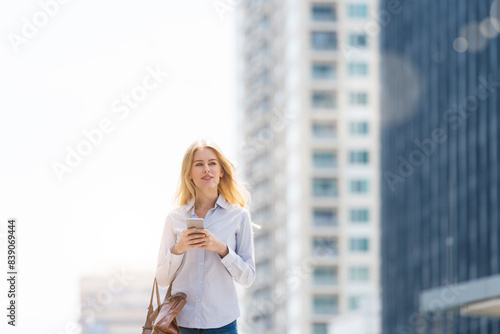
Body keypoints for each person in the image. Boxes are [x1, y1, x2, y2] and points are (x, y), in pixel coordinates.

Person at [155, 139, 256, 334]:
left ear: (221, 171)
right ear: (189, 174)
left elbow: (248, 278)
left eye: (212, 163)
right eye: (199, 164)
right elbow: (162, 279)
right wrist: (179, 249)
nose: (206, 169)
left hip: (223, 325)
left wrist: (223, 249)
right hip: (179, 324)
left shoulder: (239, 216)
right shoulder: (174, 219)